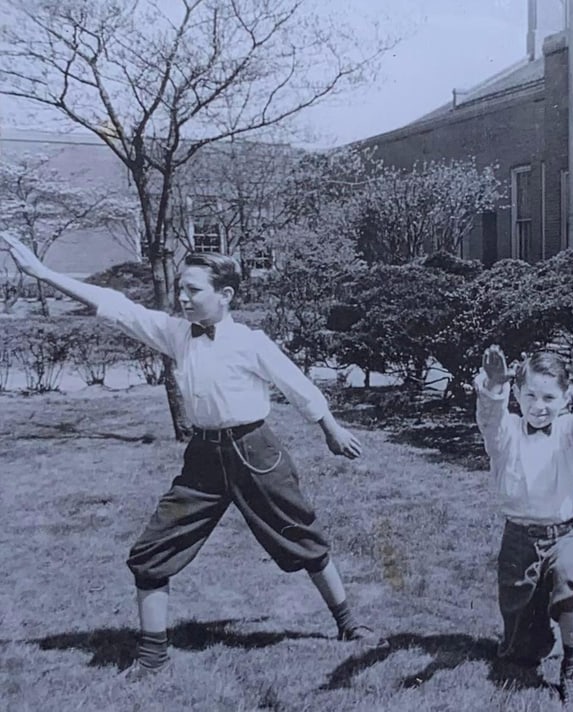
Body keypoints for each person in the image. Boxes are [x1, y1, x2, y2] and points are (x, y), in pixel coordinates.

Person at [1, 236, 389, 681]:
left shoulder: (250, 341)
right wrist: (44, 274)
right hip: (202, 460)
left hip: (256, 453)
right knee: (150, 553)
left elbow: (297, 385)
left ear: (225, 296)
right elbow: (116, 304)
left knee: (301, 535)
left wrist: (331, 430)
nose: (182, 297)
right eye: (181, 289)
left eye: (193, 290)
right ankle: (152, 658)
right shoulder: (176, 334)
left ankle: (348, 624)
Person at [475, 343, 573, 710]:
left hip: (565, 534)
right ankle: (537, 634)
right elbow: (488, 418)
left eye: (550, 397)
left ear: (567, 398)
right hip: (518, 540)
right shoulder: (504, 435)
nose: (539, 406)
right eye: (531, 395)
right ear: (517, 393)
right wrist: (492, 385)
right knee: (521, 652)